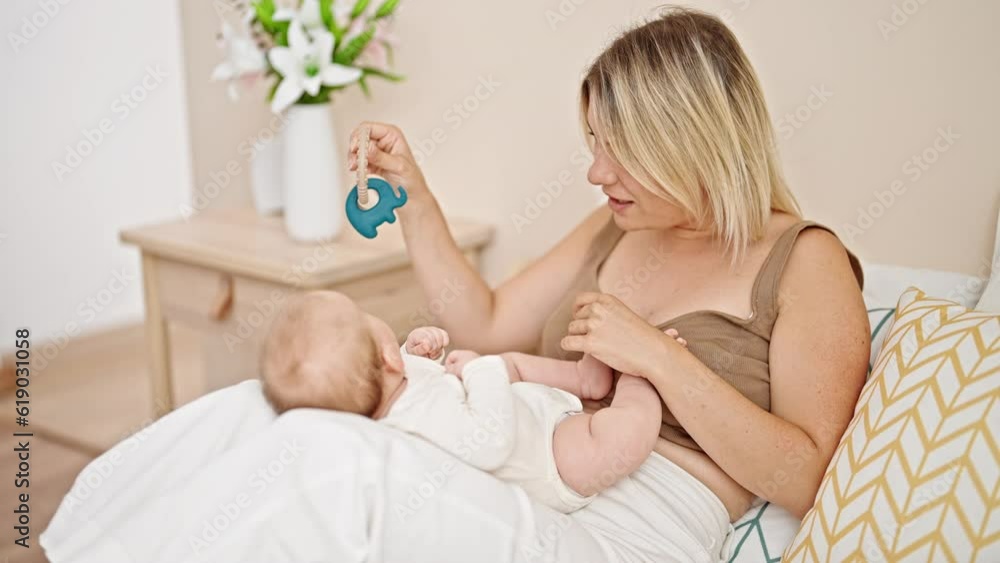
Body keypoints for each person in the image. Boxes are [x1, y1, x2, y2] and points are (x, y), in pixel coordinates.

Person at [346, 7, 869, 561]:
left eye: (621, 148)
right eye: (596, 141)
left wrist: (659, 359)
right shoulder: (619, 223)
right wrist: (414, 196)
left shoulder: (806, 260)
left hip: (638, 520)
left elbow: (809, 477)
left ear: (692, 143)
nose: (597, 173)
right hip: (526, 464)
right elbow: (487, 325)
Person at [260, 291, 686, 513]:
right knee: (617, 439)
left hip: (525, 411)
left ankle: (584, 379)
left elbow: (423, 385)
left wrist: (419, 352)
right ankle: (639, 375)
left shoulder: (390, 387)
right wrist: (483, 369)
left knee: (511, 364)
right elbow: (488, 440)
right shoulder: (414, 429)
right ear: (385, 358)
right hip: (546, 459)